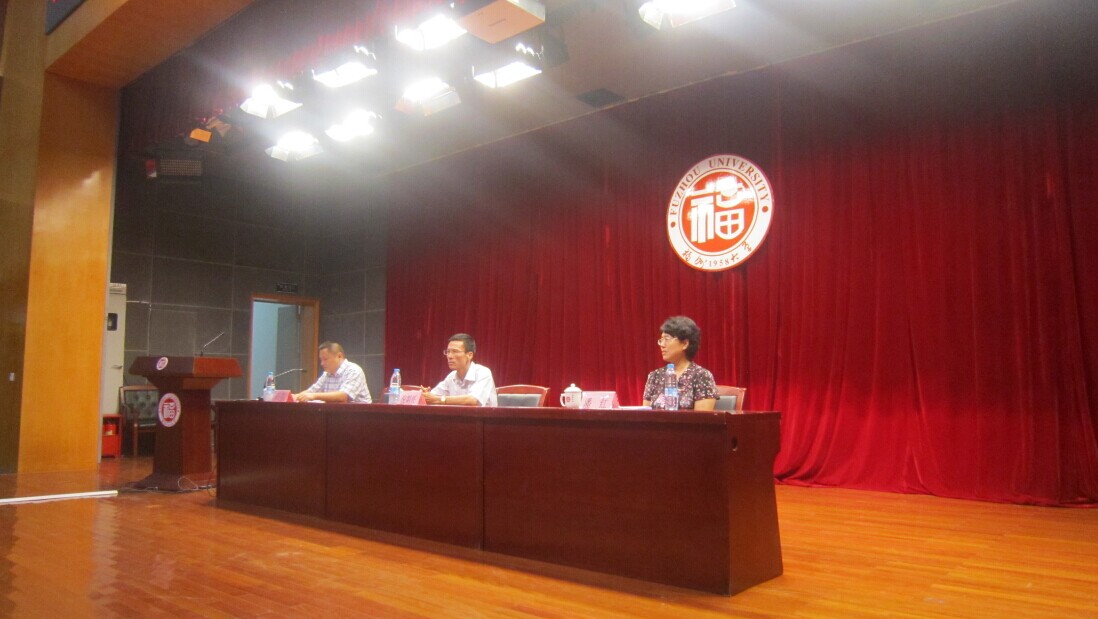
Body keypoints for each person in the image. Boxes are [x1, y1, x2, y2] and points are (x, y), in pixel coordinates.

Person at [642, 316, 717, 411]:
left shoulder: (701, 376)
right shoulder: (654, 376)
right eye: (661, 340)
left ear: (685, 343)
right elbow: (645, 414)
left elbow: (702, 418)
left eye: (667, 339)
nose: (662, 345)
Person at [422, 333, 497, 406]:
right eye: (448, 352)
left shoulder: (483, 372)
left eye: (455, 351)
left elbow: (473, 400)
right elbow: (433, 397)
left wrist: (440, 399)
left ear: (469, 355)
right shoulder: (451, 377)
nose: (449, 356)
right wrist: (426, 395)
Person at [292, 341, 372, 403]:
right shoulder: (326, 374)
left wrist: (313, 396)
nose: (322, 363)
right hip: (336, 414)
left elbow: (343, 396)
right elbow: (311, 391)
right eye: (321, 360)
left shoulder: (354, 370)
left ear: (339, 356)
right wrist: (295, 396)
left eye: (325, 359)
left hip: (360, 416)